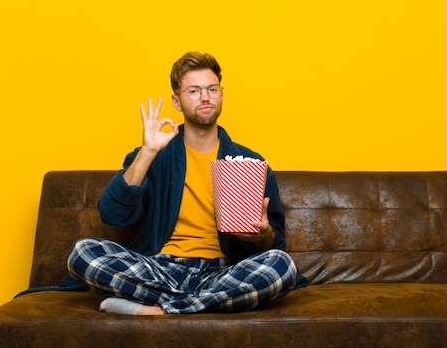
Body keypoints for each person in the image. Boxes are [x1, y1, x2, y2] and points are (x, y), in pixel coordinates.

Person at [67, 52, 305, 315]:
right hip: (158, 269)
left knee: (281, 266)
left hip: (223, 271)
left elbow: (275, 245)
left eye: (212, 89)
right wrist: (147, 152)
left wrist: (264, 235)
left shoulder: (250, 162)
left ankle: (156, 310)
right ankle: (199, 304)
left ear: (221, 95)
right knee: (82, 252)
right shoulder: (155, 156)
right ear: (176, 100)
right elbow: (112, 214)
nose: (205, 97)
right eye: (193, 90)